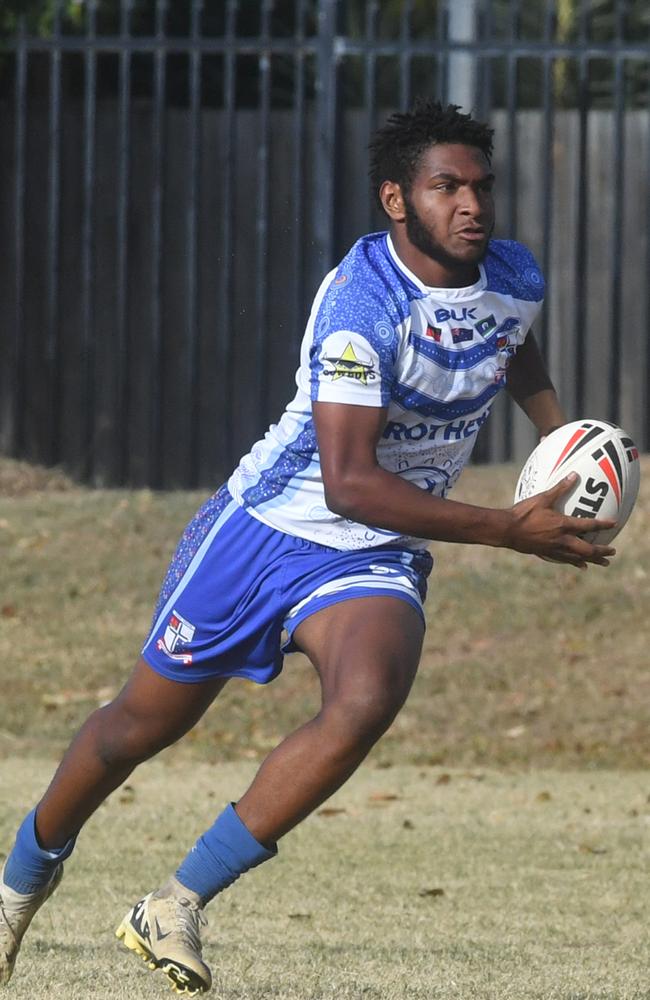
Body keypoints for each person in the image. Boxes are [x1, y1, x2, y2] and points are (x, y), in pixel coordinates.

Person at [0, 99, 616, 996]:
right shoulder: (362, 305)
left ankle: (175, 903)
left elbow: (508, 345)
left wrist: (568, 443)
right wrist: (506, 529)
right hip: (267, 531)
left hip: (377, 547)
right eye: (448, 187)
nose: (473, 206)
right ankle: (20, 885)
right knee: (140, 726)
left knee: (366, 698)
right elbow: (348, 482)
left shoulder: (511, 273)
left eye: (483, 187)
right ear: (396, 199)